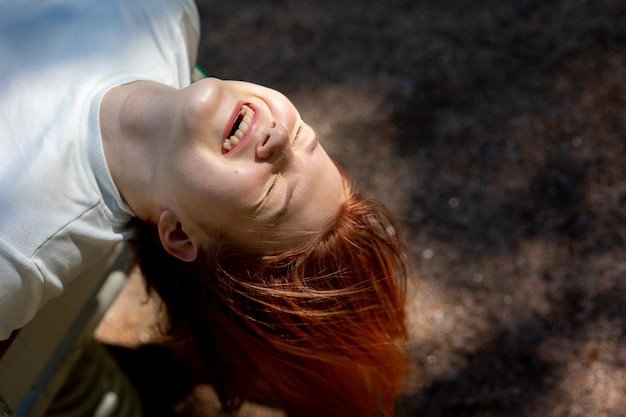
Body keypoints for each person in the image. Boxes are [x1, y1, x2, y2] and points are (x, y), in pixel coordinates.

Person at [0, 0, 414, 416]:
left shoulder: (15, 253)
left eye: (272, 191)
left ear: (179, 234)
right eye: (305, 136)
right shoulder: (167, 18)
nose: (280, 138)